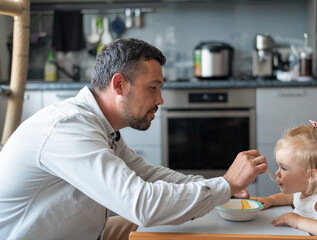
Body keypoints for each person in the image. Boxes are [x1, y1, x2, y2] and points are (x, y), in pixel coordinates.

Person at [0, 38, 267, 240]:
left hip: (92, 232)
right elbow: (142, 204)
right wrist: (226, 184)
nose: (160, 100)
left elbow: (149, 176)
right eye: (153, 88)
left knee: (182, 227)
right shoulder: (68, 128)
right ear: (119, 85)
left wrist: (219, 188)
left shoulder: (102, 128)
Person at [251, 120, 317, 240]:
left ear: (311, 176)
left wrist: (298, 221)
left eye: (283, 168)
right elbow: (292, 198)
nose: (277, 173)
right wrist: (271, 200)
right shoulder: (304, 191)